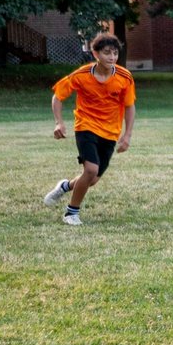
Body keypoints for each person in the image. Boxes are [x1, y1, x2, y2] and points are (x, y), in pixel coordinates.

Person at [42, 33, 136, 226]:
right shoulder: (81, 75)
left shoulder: (124, 77)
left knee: (91, 179)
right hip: (86, 126)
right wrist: (58, 122)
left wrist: (127, 135)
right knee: (91, 170)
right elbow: (58, 96)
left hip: (110, 132)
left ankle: (65, 186)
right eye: (107, 53)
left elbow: (129, 106)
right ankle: (71, 213)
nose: (112, 57)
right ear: (95, 53)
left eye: (115, 53)